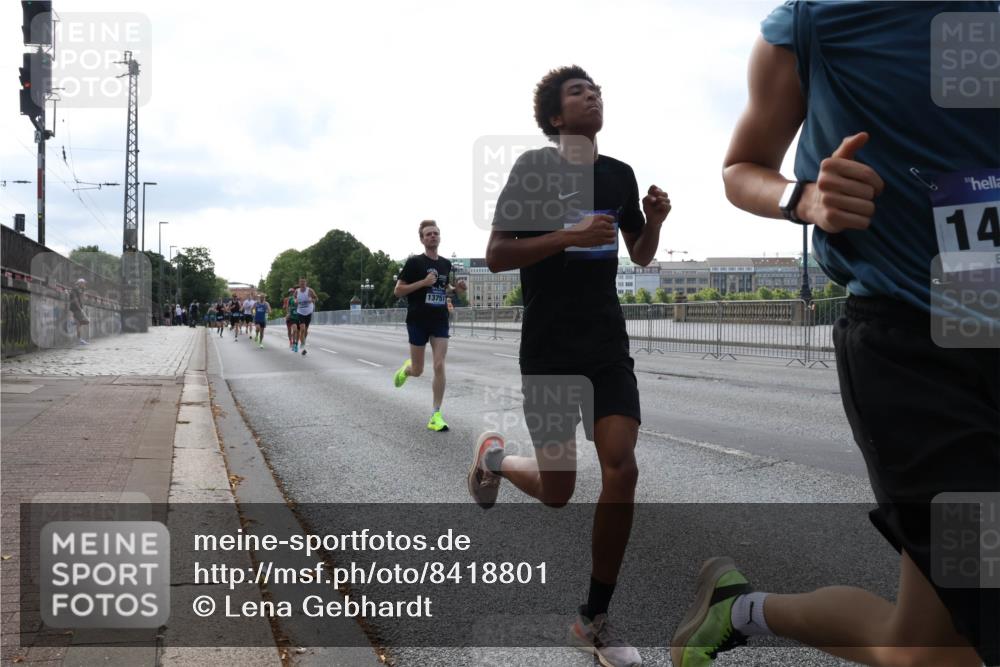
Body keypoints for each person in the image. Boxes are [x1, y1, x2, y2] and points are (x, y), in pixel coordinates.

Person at [670, 3, 999, 667]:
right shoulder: (816, 21)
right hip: (921, 357)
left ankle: (737, 608)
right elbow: (742, 165)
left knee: (920, 646)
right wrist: (805, 199)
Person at [467, 65, 670, 667]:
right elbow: (498, 255)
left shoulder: (619, 175)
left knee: (621, 467)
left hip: (606, 344)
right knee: (558, 491)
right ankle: (493, 457)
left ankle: (594, 618)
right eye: (579, 92)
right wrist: (567, 236)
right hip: (550, 349)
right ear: (556, 117)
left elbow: (638, 251)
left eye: (597, 90)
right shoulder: (534, 170)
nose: (593, 96)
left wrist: (653, 223)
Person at [392, 220, 467, 432]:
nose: (432, 236)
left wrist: (457, 289)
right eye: (428, 234)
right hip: (417, 319)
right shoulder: (414, 263)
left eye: (435, 233)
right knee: (418, 369)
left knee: (439, 365)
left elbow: (446, 288)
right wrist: (423, 283)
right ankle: (406, 371)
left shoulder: (445, 264)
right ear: (422, 239)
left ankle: (436, 414)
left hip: (439, 319)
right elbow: (398, 291)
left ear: (439, 237)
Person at [294, 277, 318, 355]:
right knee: (302, 328)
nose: (302, 284)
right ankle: (303, 346)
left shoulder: (310, 290)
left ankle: (303, 341)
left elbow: (316, 298)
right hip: (300, 312)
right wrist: (295, 301)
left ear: (306, 284)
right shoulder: (297, 291)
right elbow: (294, 298)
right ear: (299, 284)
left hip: (308, 312)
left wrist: (312, 300)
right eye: (301, 283)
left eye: (304, 283)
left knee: (305, 330)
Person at [68, 278, 90, 344]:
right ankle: (79, 340)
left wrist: (83, 291)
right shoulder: (75, 289)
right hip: (76, 308)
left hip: (77, 308)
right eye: (83, 283)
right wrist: (80, 309)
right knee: (84, 322)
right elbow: (75, 300)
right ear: (80, 283)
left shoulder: (79, 290)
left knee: (81, 323)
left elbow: (82, 298)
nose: (84, 285)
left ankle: (73, 323)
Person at [283, 288, 300, 352]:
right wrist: (288, 313)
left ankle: (295, 343)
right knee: (290, 330)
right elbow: (286, 307)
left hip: (298, 316)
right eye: (290, 292)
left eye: (292, 292)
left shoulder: (299, 298)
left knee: (297, 331)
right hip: (291, 316)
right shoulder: (287, 299)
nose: (291, 293)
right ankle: (291, 341)